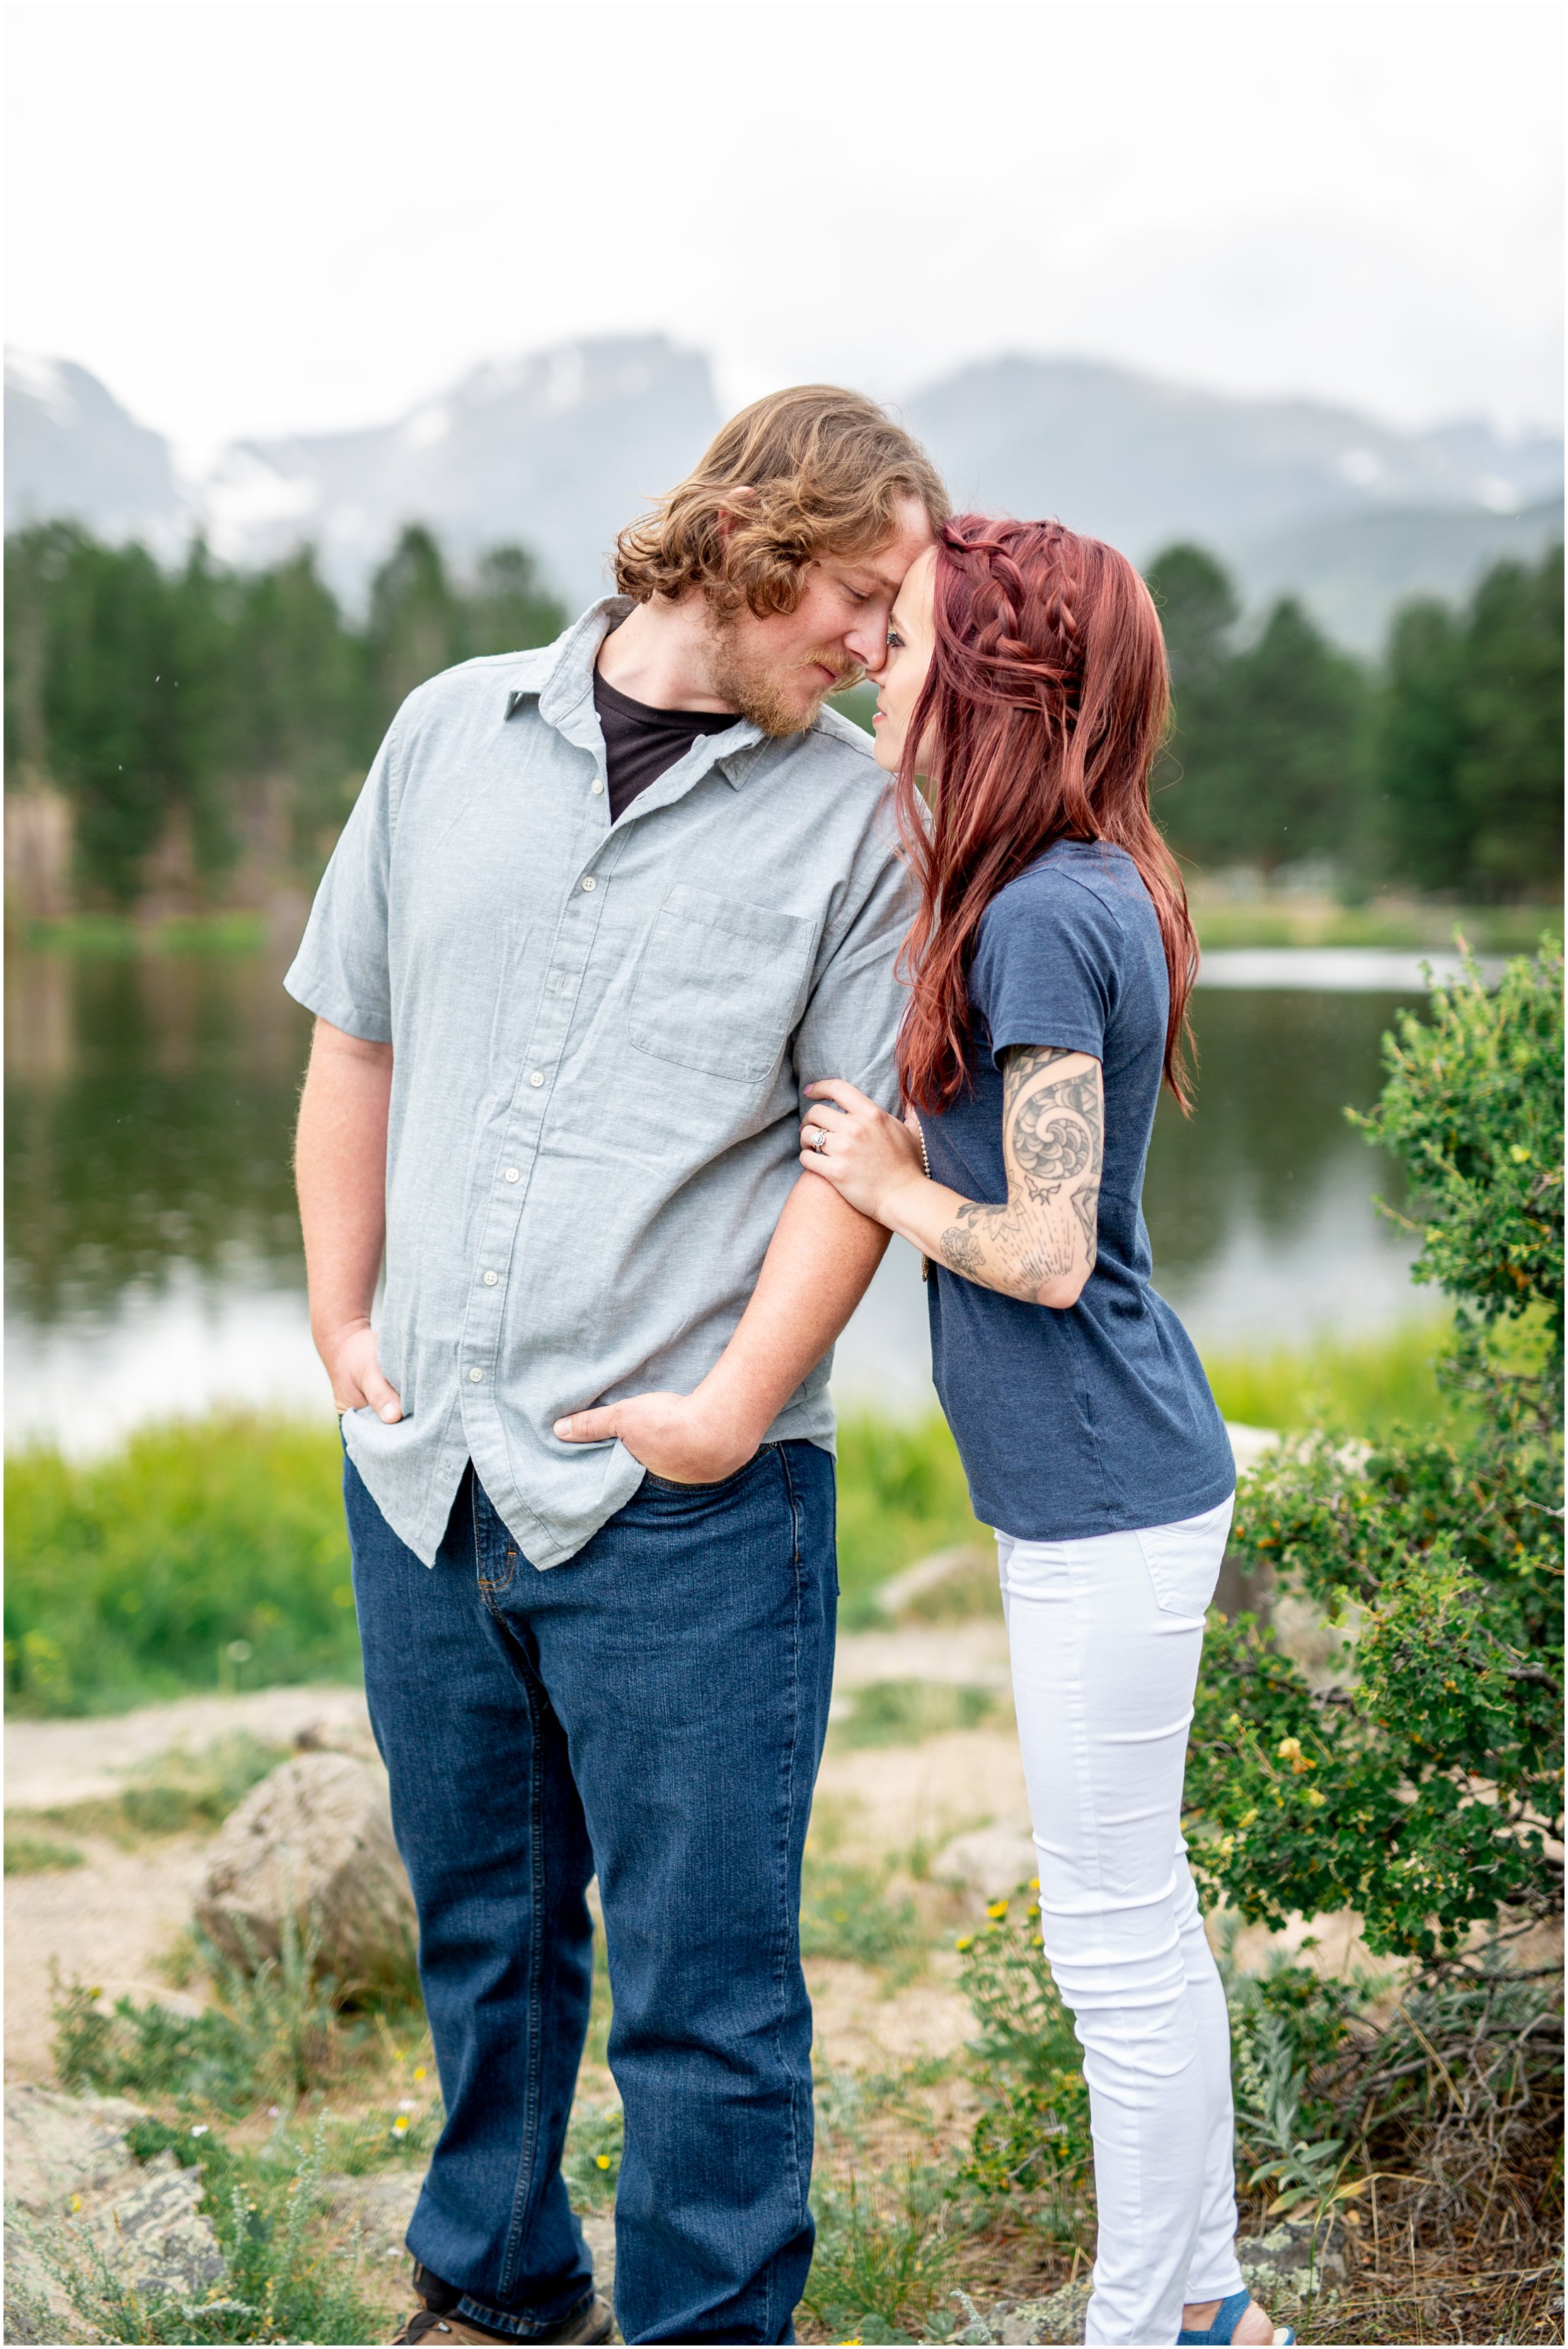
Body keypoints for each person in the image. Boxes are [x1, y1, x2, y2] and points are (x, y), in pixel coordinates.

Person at [287, 386, 945, 2346]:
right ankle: (495, 2292)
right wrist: (342, 1319)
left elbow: (856, 1151)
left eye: (896, 618)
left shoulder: (864, 825)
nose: (876, 646)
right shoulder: (445, 735)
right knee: (484, 1946)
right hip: (428, 1471)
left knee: (704, 1983)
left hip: (694, 1504)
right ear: (750, 539)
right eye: (861, 594)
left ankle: (710, 2330)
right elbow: (355, 1041)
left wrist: (738, 1406)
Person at [794, 517, 1293, 2349]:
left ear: (1001, 679)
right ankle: (1208, 2308)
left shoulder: (1043, 914)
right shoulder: (1062, 891)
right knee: (1136, 1924)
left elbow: (1051, 1250)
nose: (884, 664)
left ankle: (1143, 2320)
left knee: (1108, 1939)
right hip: (1103, 1486)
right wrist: (939, 1166)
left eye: (913, 637)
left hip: (1110, 1491)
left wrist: (886, 1184)